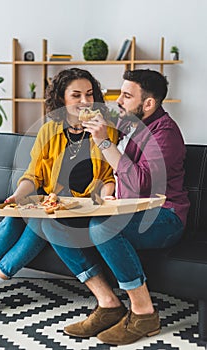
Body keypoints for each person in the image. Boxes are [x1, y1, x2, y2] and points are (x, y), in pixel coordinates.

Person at [40, 69, 190, 346]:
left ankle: (144, 313)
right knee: (55, 223)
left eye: (126, 95)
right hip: (129, 210)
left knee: (103, 227)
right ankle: (108, 303)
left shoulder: (165, 134)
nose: (117, 100)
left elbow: (141, 182)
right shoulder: (132, 123)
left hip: (165, 217)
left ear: (149, 104)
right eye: (120, 92)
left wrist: (103, 142)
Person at [0, 67, 118, 322]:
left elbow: (108, 178)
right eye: (76, 95)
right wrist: (18, 196)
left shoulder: (105, 131)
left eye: (89, 94)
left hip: (81, 209)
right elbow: (33, 176)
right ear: (61, 98)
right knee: (13, 219)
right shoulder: (49, 130)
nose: (85, 101)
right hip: (50, 202)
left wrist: (108, 196)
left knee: (41, 224)